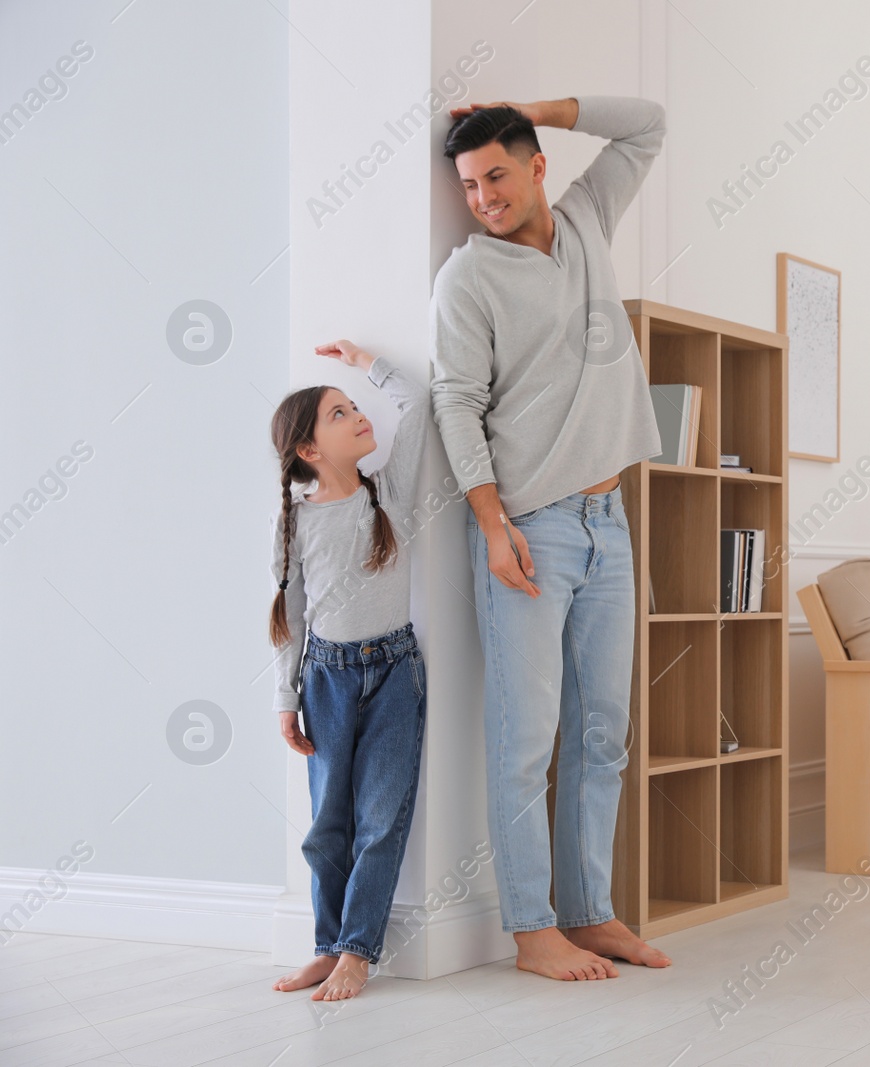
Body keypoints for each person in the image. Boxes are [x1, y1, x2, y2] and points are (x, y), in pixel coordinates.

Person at [430, 96, 671, 981]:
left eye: (496, 173)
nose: (483, 196)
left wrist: (532, 108)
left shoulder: (585, 219)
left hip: (612, 521)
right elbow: (454, 401)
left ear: (536, 165)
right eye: (467, 184)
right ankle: (533, 928)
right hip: (530, 530)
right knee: (528, 736)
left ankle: (591, 912)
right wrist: (492, 524)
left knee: (604, 730)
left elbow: (646, 122)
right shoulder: (468, 279)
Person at [267, 339, 429, 1001]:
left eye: (355, 406)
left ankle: (358, 951)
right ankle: (327, 945)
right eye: (339, 413)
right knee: (327, 824)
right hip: (327, 679)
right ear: (308, 448)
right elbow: (290, 618)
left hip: (395, 672)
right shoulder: (294, 523)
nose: (359, 414)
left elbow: (417, 402)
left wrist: (366, 363)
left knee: (382, 817)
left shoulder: (388, 495)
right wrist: (287, 697)